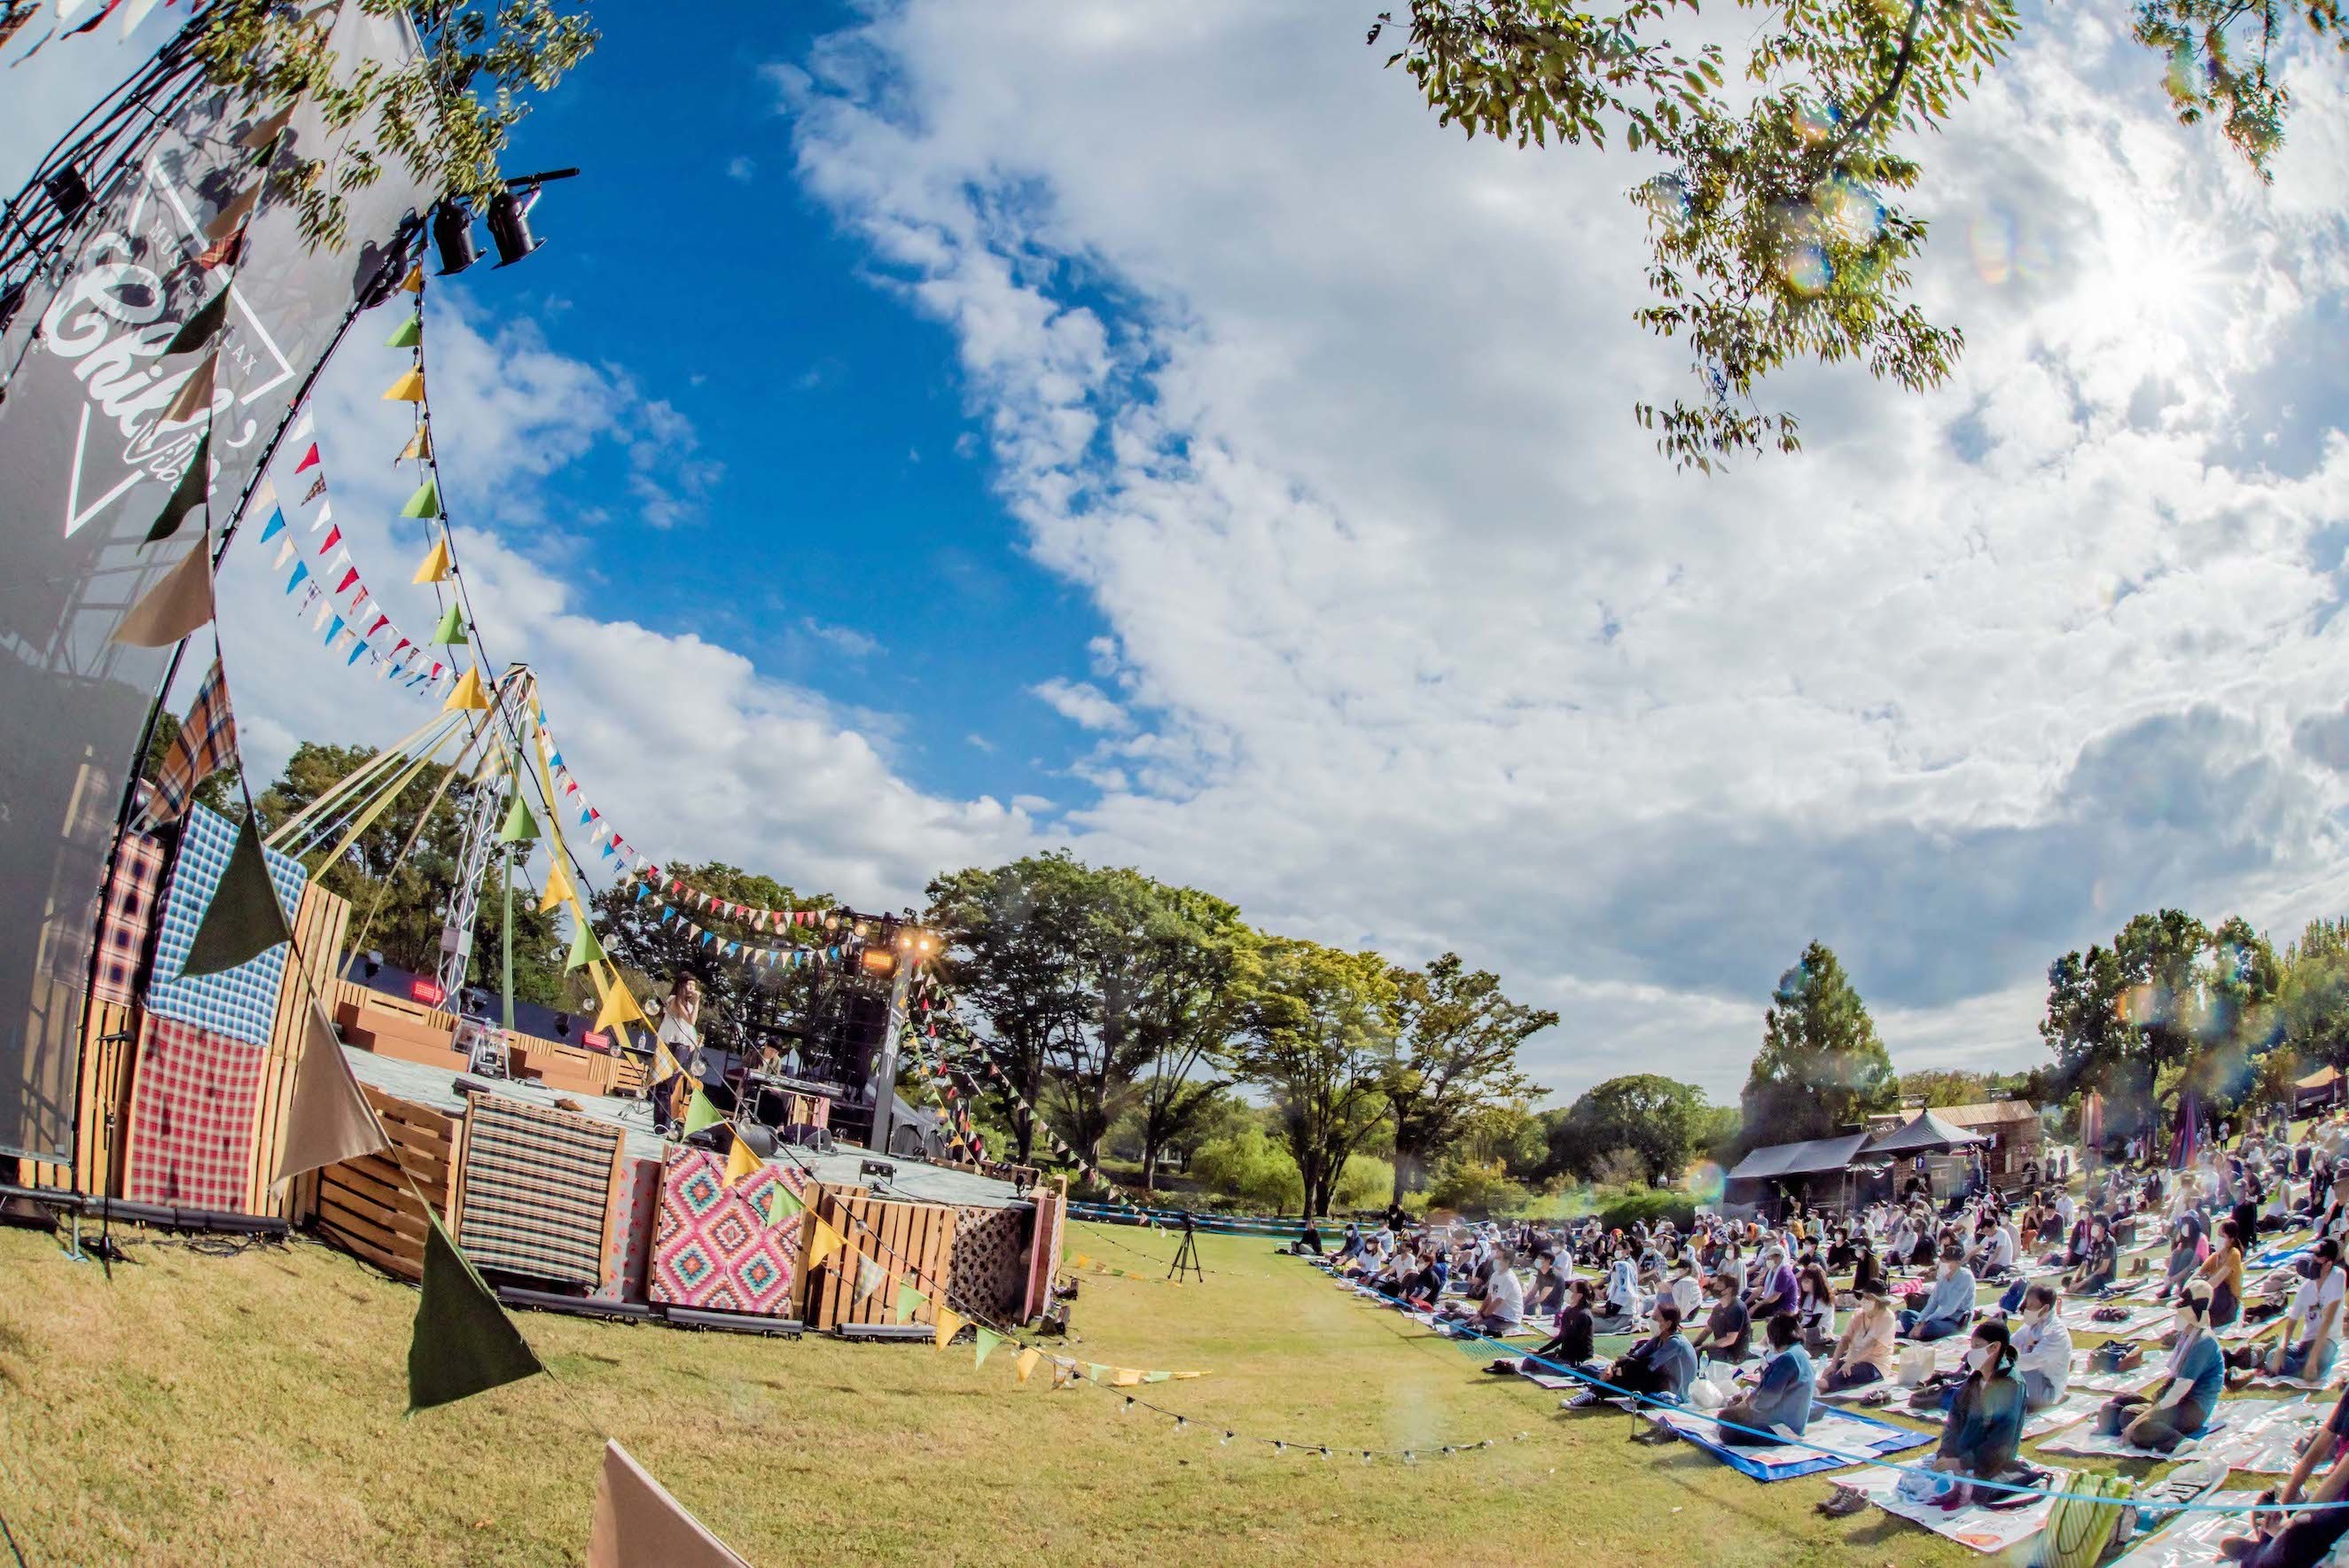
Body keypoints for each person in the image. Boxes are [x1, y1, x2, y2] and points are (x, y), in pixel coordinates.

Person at [2096, 1285, 2225, 1453]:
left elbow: (2178, 1392)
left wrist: (2140, 1419)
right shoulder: (2187, 1335)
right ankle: (2139, 1427)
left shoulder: (2203, 1342)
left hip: (2193, 1408)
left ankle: (2179, 1441)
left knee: (2130, 1417)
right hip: (2178, 1401)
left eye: (2180, 1311)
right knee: (2115, 1406)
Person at [1926, 1321, 2029, 1492]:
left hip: (1990, 1462)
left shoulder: (2011, 1385)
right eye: (1971, 1346)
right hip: (1963, 1454)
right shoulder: (1973, 1381)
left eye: (1977, 1346)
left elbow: (2002, 1439)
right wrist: (1945, 1454)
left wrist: (1962, 1463)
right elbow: (1954, 1422)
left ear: (1994, 1347)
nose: (1972, 1352)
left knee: (1975, 1492)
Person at [1573, 1300, 1697, 1408]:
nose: (1651, 1321)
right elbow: (1635, 1356)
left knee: (1632, 1373)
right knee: (1626, 1369)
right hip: (1660, 1380)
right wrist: (1611, 1366)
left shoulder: (1675, 1343)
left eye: (1655, 1318)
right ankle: (1595, 1392)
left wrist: (1620, 1369)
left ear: (1668, 1323)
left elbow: (1647, 1366)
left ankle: (1595, 1392)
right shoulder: (1659, 1339)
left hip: (1674, 1391)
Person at [1718, 1312, 1814, 1445]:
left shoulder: (1787, 1359)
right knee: (1727, 1415)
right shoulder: (1797, 1352)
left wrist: (1746, 1403)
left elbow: (1766, 1401)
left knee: (1727, 1431)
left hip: (1782, 1427)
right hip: (1787, 1420)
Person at [2263, 1239, 2345, 1383]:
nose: (2313, 1260)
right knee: (2272, 1356)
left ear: (2328, 1264)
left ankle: (2303, 1366)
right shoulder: (2306, 1287)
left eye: (2318, 1257)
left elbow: (2328, 1321)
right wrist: (2281, 1350)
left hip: (2327, 1342)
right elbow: (2291, 1324)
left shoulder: (2338, 1277)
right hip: (2304, 1343)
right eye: (2313, 1256)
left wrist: (2312, 1359)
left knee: (2314, 1364)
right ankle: (2300, 1366)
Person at [1819, 1289, 1897, 1392]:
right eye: (1864, 1297)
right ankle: (1819, 1386)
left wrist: (1850, 1363)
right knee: (1832, 1371)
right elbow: (1845, 1339)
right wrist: (1834, 1364)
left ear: (1878, 1301)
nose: (1864, 1301)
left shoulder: (1887, 1317)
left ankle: (1821, 1386)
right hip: (1853, 1360)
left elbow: (1870, 1344)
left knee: (1842, 1376)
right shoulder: (1858, 1314)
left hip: (1874, 1365)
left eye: (1869, 1298)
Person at [2010, 1284, 2072, 1410]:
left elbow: (2033, 1361)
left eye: (2032, 1306)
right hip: (2033, 1378)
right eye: (2027, 1305)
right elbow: (2012, 1342)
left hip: (2047, 1388)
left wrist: (2000, 1361)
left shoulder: (2055, 1331)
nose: (2027, 1310)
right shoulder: (2033, 1324)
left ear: (2045, 1308)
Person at [1901, 1244, 1977, 1341]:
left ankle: (1918, 1332)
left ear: (1957, 1263)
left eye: (1947, 1261)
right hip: (1936, 1317)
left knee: (1931, 1326)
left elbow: (1949, 1308)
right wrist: (1920, 1321)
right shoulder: (1943, 1277)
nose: (1943, 1264)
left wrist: (1926, 1321)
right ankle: (1919, 1332)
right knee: (1906, 1315)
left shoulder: (1965, 1277)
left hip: (1955, 1320)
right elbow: (1932, 1303)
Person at [1688, 1272, 1752, 1365]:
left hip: (1734, 1354)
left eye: (1718, 1286)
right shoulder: (1718, 1308)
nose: (1714, 1288)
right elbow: (1707, 1330)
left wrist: (1704, 1347)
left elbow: (1730, 1339)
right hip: (1721, 1348)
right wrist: (1693, 1345)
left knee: (1698, 1355)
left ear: (1728, 1290)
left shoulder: (1737, 1309)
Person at [2204, 1218, 2247, 1330]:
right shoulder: (2215, 1257)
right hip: (2216, 1298)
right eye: (2218, 1235)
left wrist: (2198, 1290)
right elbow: (2199, 1273)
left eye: (2223, 1237)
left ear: (2231, 1239)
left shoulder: (2234, 1255)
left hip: (2229, 1302)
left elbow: (2217, 1280)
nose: (2219, 1239)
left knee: (2218, 1286)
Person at [1795, 1263, 1837, 1354]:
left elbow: (1814, 1323)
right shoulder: (1807, 1296)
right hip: (1806, 1328)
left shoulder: (1822, 1299)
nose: (1803, 1284)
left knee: (1794, 1336)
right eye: (1803, 1281)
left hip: (1822, 1331)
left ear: (1816, 1282)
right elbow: (1800, 1316)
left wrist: (1797, 1329)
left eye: (1807, 1281)